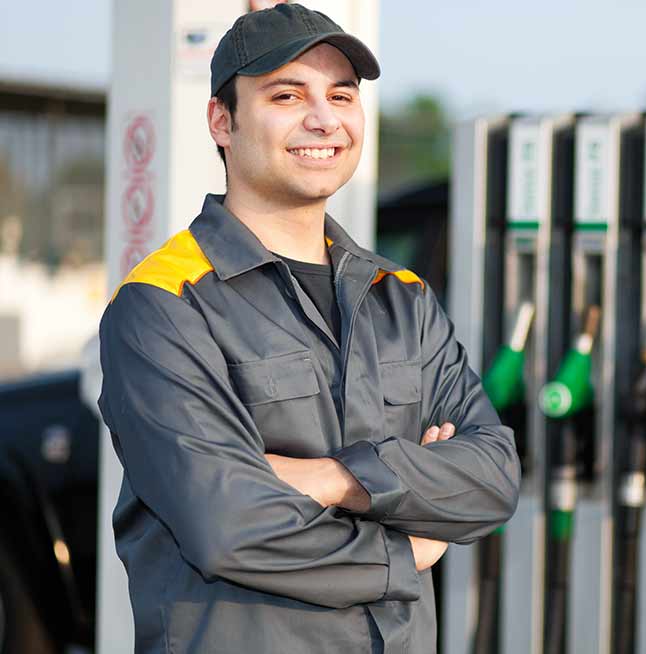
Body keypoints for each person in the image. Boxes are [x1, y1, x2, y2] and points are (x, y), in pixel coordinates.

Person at [97, 4, 520, 652]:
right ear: (223, 120)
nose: (323, 118)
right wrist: (407, 545)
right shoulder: (163, 306)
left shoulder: (400, 299)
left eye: (341, 95)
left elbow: (493, 478)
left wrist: (328, 477)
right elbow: (228, 525)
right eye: (287, 94)